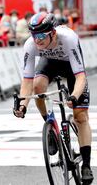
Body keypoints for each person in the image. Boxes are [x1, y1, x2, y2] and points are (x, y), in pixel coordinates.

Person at [13, 12, 94, 184]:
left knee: (80, 116)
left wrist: (74, 96)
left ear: (53, 33)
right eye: (34, 35)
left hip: (71, 68)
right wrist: (23, 105)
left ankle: (86, 164)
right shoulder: (31, 45)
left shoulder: (69, 38)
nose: (38, 40)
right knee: (37, 86)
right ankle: (50, 127)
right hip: (49, 63)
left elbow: (80, 77)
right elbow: (27, 82)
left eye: (42, 35)